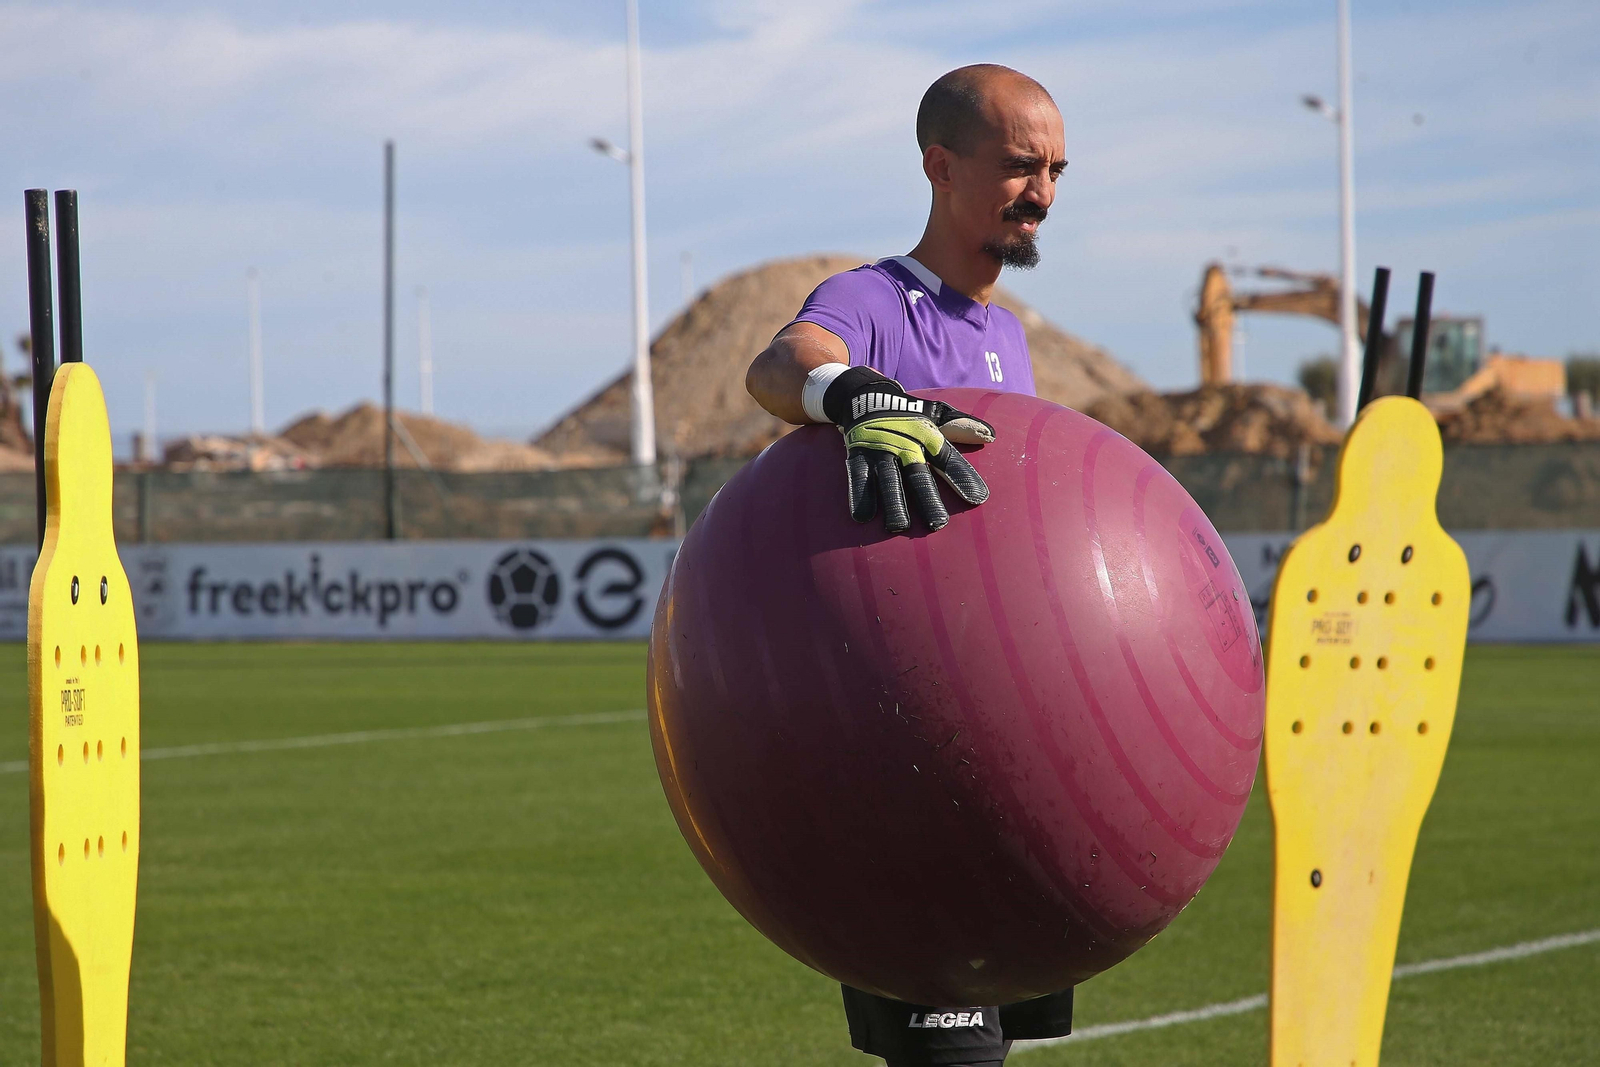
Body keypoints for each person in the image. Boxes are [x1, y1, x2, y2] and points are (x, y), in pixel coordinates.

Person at [745, 64, 1076, 1067]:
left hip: (1009, 750)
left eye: (1058, 169)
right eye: (1021, 165)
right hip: (905, 761)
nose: (1045, 193)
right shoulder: (874, 298)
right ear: (940, 166)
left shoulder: (1008, 337)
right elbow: (779, 362)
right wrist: (850, 395)